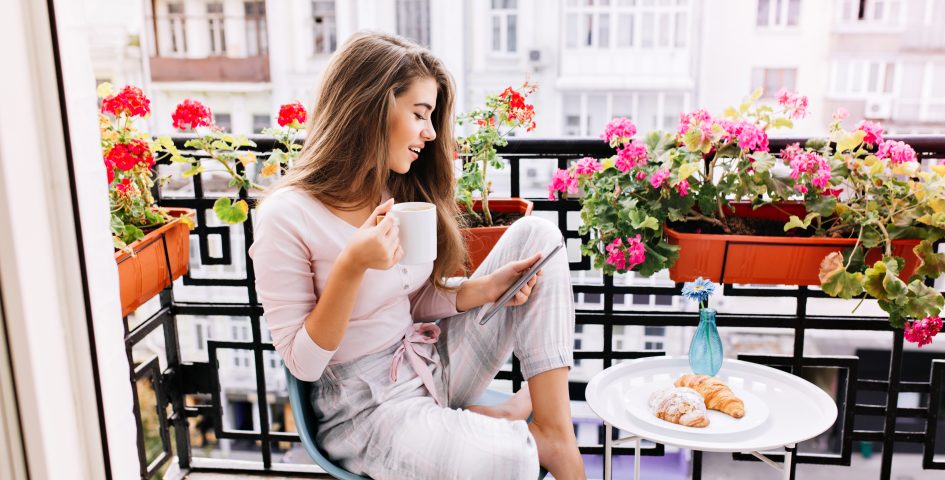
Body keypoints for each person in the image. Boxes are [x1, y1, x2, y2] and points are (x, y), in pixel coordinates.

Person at [249, 31, 585, 479]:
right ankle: (506, 425)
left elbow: (408, 300)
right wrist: (352, 266)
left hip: (428, 362)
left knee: (539, 236)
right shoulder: (285, 216)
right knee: (504, 460)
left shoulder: (390, 191)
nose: (429, 133)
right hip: (365, 409)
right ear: (371, 108)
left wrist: (481, 289)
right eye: (420, 114)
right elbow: (303, 364)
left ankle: (555, 434)